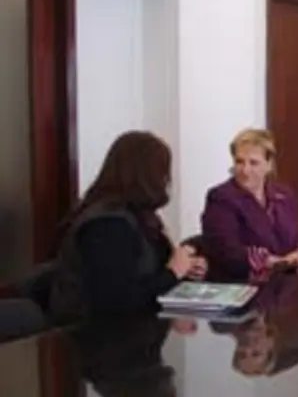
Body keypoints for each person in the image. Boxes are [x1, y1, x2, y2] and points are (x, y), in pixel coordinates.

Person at [49, 131, 206, 321]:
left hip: (139, 327)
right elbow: (118, 301)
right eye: (162, 172)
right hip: (95, 333)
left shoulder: (140, 216)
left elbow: (153, 273)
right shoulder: (107, 224)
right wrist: (173, 273)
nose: (166, 180)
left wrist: (185, 269)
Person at [201, 129, 298, 282]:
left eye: (253, 163)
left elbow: (297, 239)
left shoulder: (284, 195)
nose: (245, 170)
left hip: (284, 285)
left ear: (269, 164)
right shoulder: (221, 197)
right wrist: (277, 262)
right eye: (239, 162)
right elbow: (226, 251)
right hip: (241, 285)